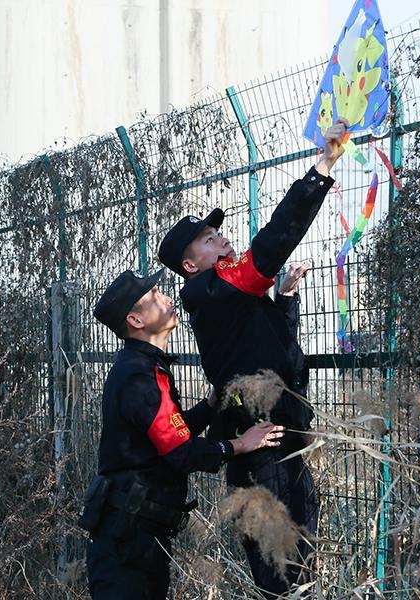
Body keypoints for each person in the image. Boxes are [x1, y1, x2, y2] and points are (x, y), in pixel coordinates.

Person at [156, 119, 349, 596]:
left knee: (298, 568)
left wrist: (284, 300)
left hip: (282, 441)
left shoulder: (229, 295)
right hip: (265, 454)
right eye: (207, 238)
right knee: (283, 577)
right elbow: (274, 239)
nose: (221, 238)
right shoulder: (210, 289)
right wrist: (321, 167)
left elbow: (275, 354)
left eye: (217, 233)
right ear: (190, 264)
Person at [82, 269, 285, 600]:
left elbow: (168, 434)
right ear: (135, 319)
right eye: (154, 297)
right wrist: (239, 445)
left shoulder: (148, 367)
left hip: (139, 537)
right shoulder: (137, 377)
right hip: (126, 545)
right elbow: (181, 452)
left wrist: (209, 404)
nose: (166, 299)